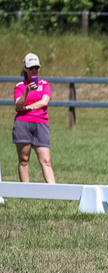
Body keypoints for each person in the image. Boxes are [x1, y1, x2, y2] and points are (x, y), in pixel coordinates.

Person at [13, 52, 55, 183]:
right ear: (25, 68)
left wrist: (29, 107)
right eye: (31, 68)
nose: (34, 70)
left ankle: (55, 192)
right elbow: (18, 105)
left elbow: (44, 102)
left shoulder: (44, 84)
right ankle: (25, 192)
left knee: (46, 161)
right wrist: (27, 92)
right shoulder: (20, 86)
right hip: (22, 123)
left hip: (41, 123)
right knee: (24, 160)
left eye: (36, 67)